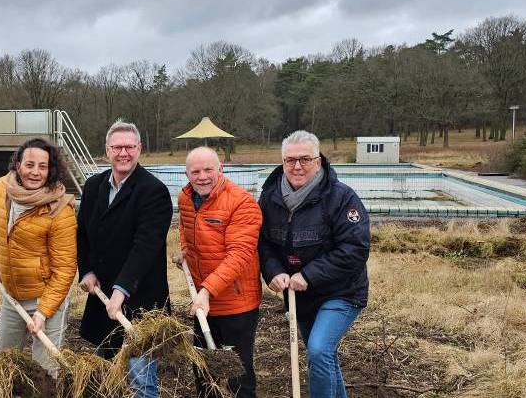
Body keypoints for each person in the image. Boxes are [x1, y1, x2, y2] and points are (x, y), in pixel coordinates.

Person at [257, 130, 370, 398]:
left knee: (319, 350)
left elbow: (355, 248)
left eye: (305, 159)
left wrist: (308, 274)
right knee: (323, 357)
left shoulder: (341, 197)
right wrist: (274, 271)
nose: (297, 166)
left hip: (341, 292)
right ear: (282, 162)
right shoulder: (270, 198)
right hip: (301, 296)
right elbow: (263, 244)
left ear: (318, 161)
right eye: (290, 160)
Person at [77, 119, 173, 398]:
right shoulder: (94, 187)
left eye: (129, 147)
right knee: (107, 378)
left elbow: (146, 246)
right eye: (117, 147)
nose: (123, 153)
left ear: (139, 149)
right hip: (102, 298)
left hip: (141, 302)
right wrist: (86, 272)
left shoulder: (153, 191)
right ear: (107, 150)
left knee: (141, 380)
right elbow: (81, 234)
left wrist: (122, 289)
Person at [0, 138, 77, 376]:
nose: (35, 172)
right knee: (4, 363)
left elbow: (65, 269)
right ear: (18, 165)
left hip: (47, 297)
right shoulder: (2, 188)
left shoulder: (60, 210)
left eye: (42, 167)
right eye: (29, 164)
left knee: (44, 371)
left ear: (51, 170)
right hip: (12, 294)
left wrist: (43, 312)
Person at [174, 147, 262, 398]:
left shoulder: (241, 202)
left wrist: (207, 291)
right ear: (187, 173)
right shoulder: (185, 197)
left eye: (208, 170)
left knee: (238, 373)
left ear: (220, 169)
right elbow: (185, 227)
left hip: (236, 303)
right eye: (195, 171)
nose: (202, 176)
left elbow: (239, 255)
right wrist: (185, 252)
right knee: (203, 371)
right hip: (203, 302)